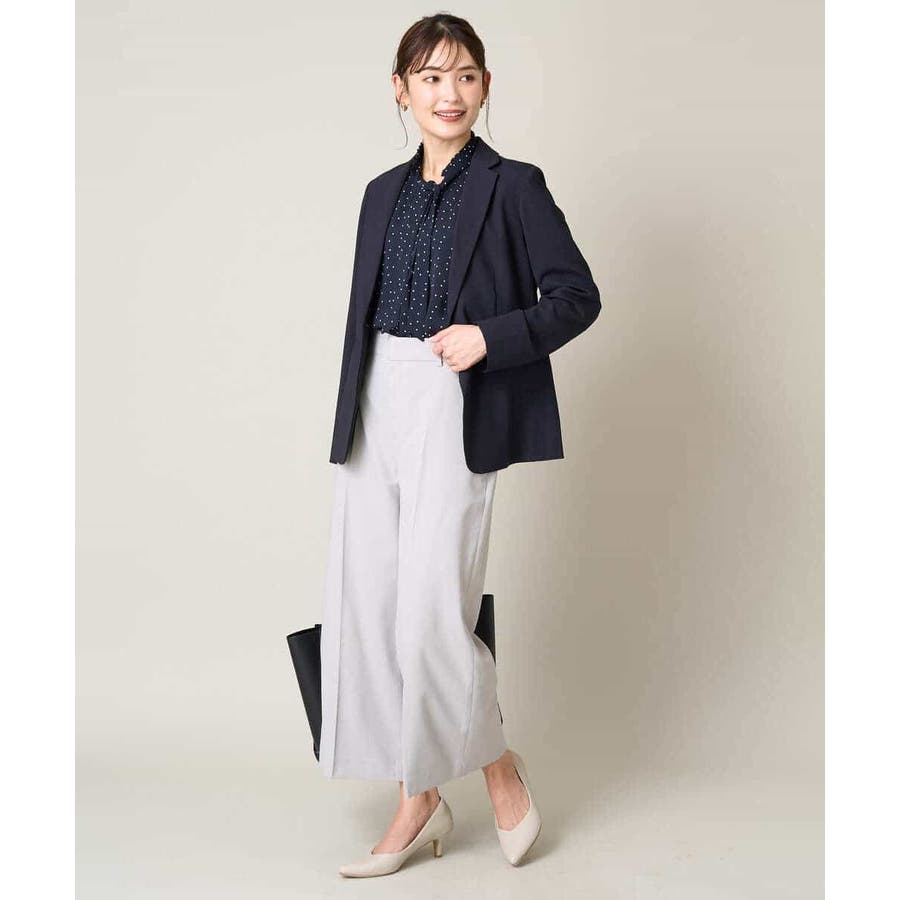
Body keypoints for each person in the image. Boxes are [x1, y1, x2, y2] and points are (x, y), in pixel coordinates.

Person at [317, 13, 602, 877]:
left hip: (454, 394)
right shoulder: (379, 193)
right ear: (400, 90)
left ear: (485, 88)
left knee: (432, 608)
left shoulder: (515, 186)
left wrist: (489, 337)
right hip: (376, 397)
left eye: (466, 76)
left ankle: (491, 766)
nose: (450, 93)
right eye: (431, 77)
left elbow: (577, 296)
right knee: (371, 604)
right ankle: (423, 791)